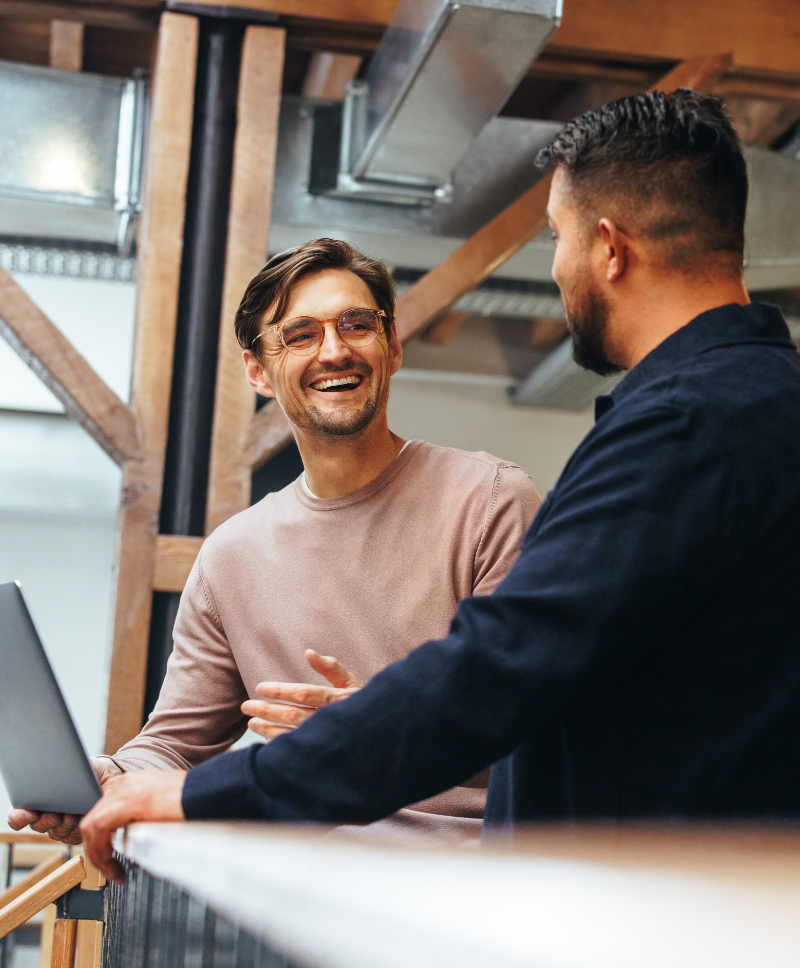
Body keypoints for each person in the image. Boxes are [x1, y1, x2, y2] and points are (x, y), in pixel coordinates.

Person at [81, 88, 800, 882]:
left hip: (657, 910)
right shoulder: (753, 406)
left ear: (609, 248)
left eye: (556, 239)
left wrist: (219, 791)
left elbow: (497, 673)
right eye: (300, 335)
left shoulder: (682, 429)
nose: (557, 269)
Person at [8, 239, 539, 845]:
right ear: (257, 369)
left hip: (464, 885)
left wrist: (378, 725)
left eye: (356, 325)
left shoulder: (493, 500)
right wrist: (115, 777)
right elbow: (176, 746)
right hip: (290, 890)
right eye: (300, 335)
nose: (334, 350)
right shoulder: (231, 554)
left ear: (391, 346)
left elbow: (533, 713)